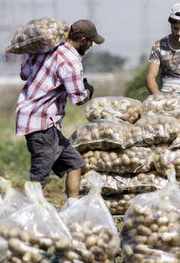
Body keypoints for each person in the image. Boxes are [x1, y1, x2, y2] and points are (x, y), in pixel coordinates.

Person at [16, 19, 104, 204]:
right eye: (90, 42)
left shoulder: (48, 49)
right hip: (41, 122)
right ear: (82, 40)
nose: (90, 47)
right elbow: (78, 99)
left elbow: (24, 73)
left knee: (75, 164)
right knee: (38, 177)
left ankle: (72, 207)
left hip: (38, 120)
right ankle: (27, 214)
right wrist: (88, 90)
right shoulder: (70, 60)